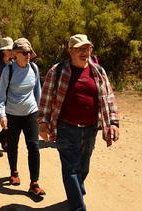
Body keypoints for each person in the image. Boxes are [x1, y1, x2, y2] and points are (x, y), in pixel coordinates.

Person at [38, 34, 120, 211]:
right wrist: (43, 122)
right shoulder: (57, 71)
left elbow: (109, 97)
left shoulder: (98, 71)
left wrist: (113, 122)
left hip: (90, 129)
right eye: (80, 49)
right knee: (71, 170)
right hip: (66, 128)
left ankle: (76, 193)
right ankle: (78, 206)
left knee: (83, 168)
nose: (85, 52)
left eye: (87, 48)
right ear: (70, 51)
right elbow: (46, 97)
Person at [0, 38, 45, 196]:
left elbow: (38, 92)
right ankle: (14, 172)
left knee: (34, 147)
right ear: (15, 54)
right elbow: (0, 97)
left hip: (31, 113)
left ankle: (34, 182)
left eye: (29, 52)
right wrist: (2, 115)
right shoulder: (8, 70)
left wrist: (41, 113)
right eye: (24, 52)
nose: (28, 55)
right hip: (12, 115)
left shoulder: (34, 69)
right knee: (13, 145)